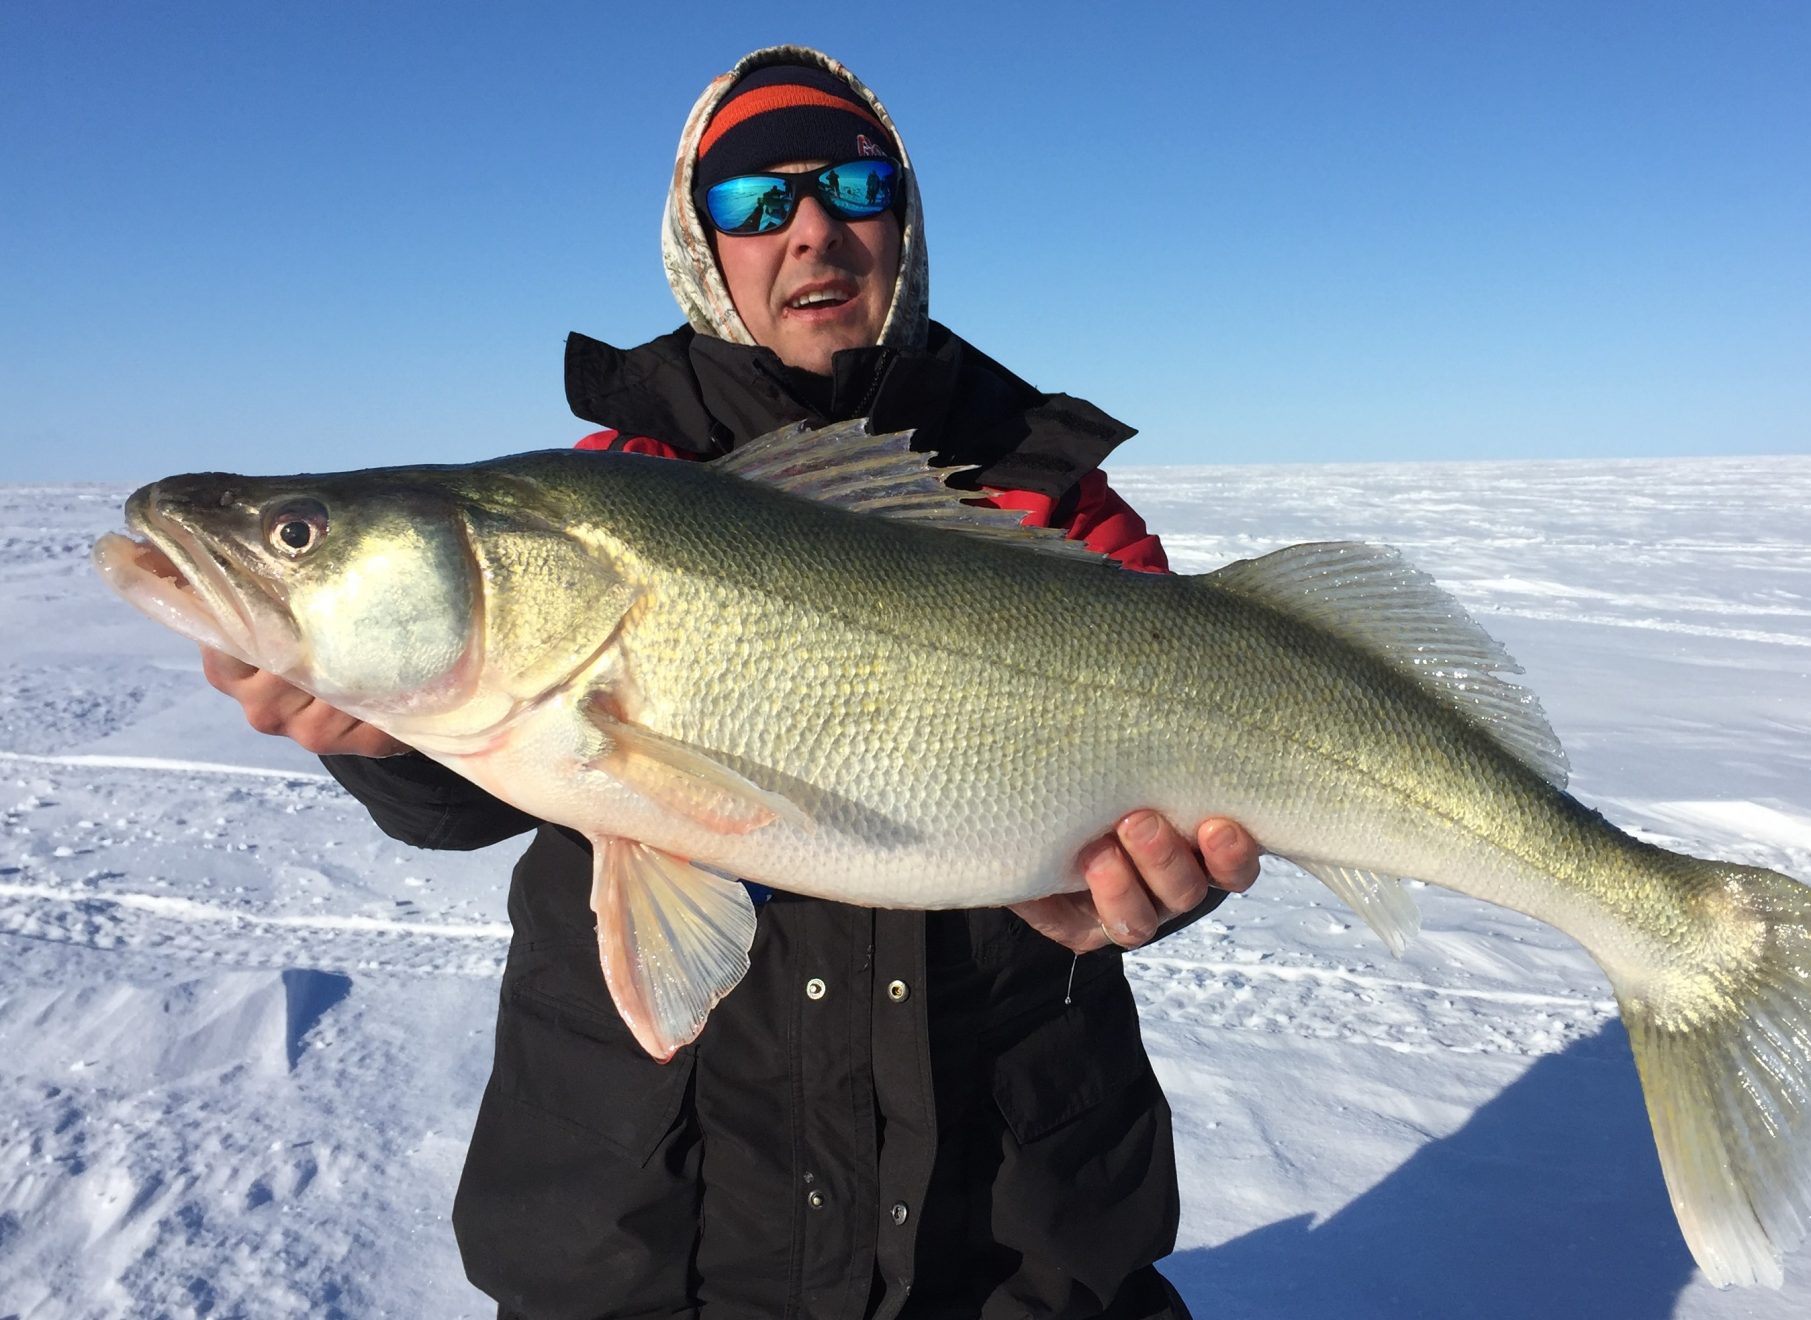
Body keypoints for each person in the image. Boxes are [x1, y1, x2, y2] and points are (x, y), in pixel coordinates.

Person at [203, 46, 1259, 1320]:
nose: (810, 230)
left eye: (853, 187)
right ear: (703, 246)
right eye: (756, 203)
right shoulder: (610, 492)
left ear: (903, 224)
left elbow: (1221, 775)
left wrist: (1155, 888)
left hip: (1002, 1227)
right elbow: (469, 799)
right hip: (657, 1221)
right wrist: (369, 734)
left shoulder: (1052, 499)